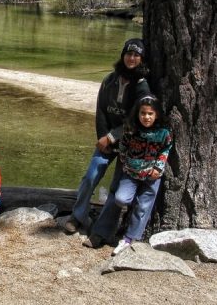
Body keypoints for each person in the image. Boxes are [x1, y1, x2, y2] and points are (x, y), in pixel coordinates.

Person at [63, 38, 151, 235]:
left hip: (129, 145)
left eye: (137, 55)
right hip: (106, 141)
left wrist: (112, 137)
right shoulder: (110, 80)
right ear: (123, 55)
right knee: (90, 177)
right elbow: (101, 111)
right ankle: (77, 216)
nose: (132, 58)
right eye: (129, 53)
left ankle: (103, 229)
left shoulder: (142, 87)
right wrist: (103, 137)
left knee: (116, 187)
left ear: (142, 59)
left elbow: (137, 119)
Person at [91, 95, 173, 255]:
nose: (147, 117)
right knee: (121, 198)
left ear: (156, 114)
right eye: (143, 113)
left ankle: (129, 238)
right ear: (137, 114)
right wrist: (126, 163)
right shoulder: (131, 130)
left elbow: (165, 148)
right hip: (130, 173)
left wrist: (159, 166)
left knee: (143, 206)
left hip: (152, 175)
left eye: (150, 114)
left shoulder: (163, 133)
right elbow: (123, 147)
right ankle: (122, 215)